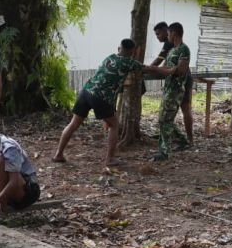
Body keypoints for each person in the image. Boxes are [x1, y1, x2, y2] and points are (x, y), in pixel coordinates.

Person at [53, 39, 159, 166]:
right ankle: (110, 159)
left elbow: (113, 84)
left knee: (73, 124)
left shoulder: (110, 57)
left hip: (86, 91)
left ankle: (58, 154)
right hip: (100, 97)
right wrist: (170, 70)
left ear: (119, 48)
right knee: (114, 125)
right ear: (132, 52)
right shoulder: (129, 62)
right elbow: (151, 69)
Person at [152, 22, 191, 162]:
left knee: (166, 119)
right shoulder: (172, 50)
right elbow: (167, 68)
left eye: (168, 34)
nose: (167, 36)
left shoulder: (183, 49)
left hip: (176, 89)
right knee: (163, 119)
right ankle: (182, 140)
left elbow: (180, 70)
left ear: (173, 33)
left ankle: (164, 151)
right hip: (168, 88)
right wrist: (159, 69)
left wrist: (165, 70)